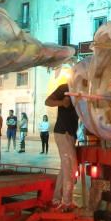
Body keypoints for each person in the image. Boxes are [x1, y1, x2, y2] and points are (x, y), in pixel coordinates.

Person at [45, 83, 79, 211]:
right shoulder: (65, 88)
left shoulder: (83, 88)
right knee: (70, 165)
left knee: (65, 168)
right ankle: (67, 202)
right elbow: (47, 101)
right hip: (63, 131)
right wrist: (61, 102)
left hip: (70, 133)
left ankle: (57, 199)